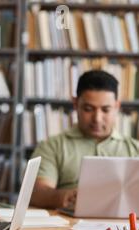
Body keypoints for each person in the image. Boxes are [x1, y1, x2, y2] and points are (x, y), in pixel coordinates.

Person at [30, 70, 139, 209]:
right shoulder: (52, 146)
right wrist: (64, 197)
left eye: (105, 110)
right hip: (68, 225)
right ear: (75, 104)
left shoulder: (135, 149)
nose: (97, 119)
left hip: (123, 225)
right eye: (88, 109)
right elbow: (37, 192)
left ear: (117, 107)